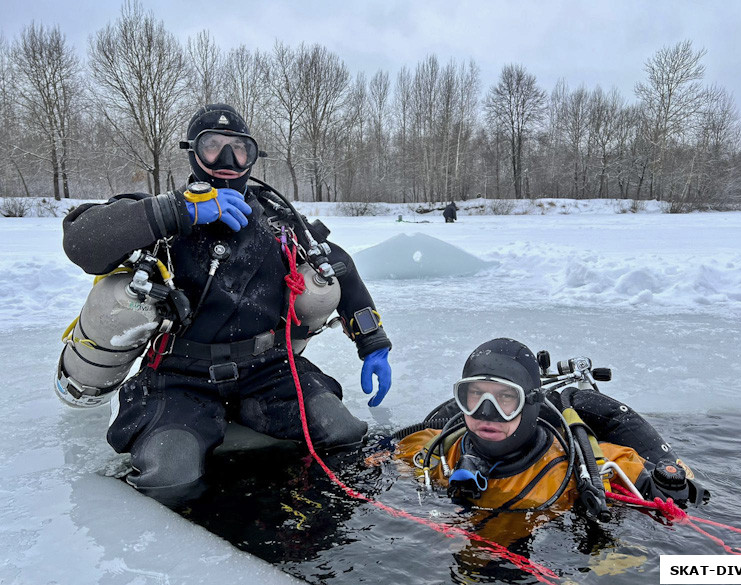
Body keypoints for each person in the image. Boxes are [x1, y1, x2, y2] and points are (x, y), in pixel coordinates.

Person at [62, 104, 392, 503]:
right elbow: (81, 241)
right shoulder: (160, 216)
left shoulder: (276, 220)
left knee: (343, 433)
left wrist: (372, 343)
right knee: (170, 475)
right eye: (212, 147)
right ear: (192, 153)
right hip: (179, 378)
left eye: (239, 149)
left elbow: (335, 263)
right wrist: (177, 211)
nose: (226, 161)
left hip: (269, 370)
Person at [395, 338, 706, 513]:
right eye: (474, 395)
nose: (485, 413)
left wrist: (671, 484)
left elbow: (684, 502)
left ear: (532, 402)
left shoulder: (589, 466)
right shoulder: (430, 451)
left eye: (506, 398)